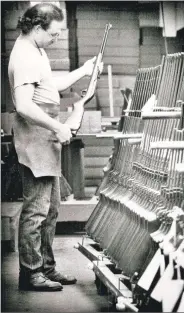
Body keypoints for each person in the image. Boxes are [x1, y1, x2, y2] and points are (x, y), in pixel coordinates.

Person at [8, 2, 102, 292]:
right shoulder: (23, 56)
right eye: (55, 34)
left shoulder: (37, 50)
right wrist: (59, 127)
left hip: (45, 139)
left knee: (50, 210)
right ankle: (31, 274)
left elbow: (51, 86)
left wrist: (84, 70)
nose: (57, 39)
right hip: (35, 140)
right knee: (36, 211)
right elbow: (23, 105)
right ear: (38, 27)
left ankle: (46, 268)